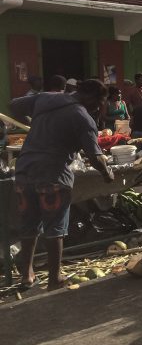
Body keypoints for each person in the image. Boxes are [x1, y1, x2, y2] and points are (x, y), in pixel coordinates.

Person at [10, 79, 114, 291]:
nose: (99, 107)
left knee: (29, 223)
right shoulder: (82, 117)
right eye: (99, 102)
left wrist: (32, 124)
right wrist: (107, 173)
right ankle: (54, 278)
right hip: (53, 175)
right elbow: (95, 157)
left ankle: (26, 275)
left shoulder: (46, 97)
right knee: (55, 227)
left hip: (24, 171)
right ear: (89, 97)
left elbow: (13, 106)